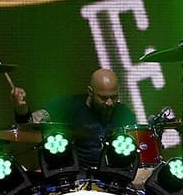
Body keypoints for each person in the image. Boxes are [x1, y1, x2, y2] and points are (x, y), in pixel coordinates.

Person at [10, 68, 138, 169]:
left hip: (113, 176)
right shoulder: (67, 106)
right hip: (75, 176)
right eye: (103, 98)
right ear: (90, 92)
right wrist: (22, 109)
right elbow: (29, 125)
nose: (109, 102)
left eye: (114, 97)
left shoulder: (125, 114)